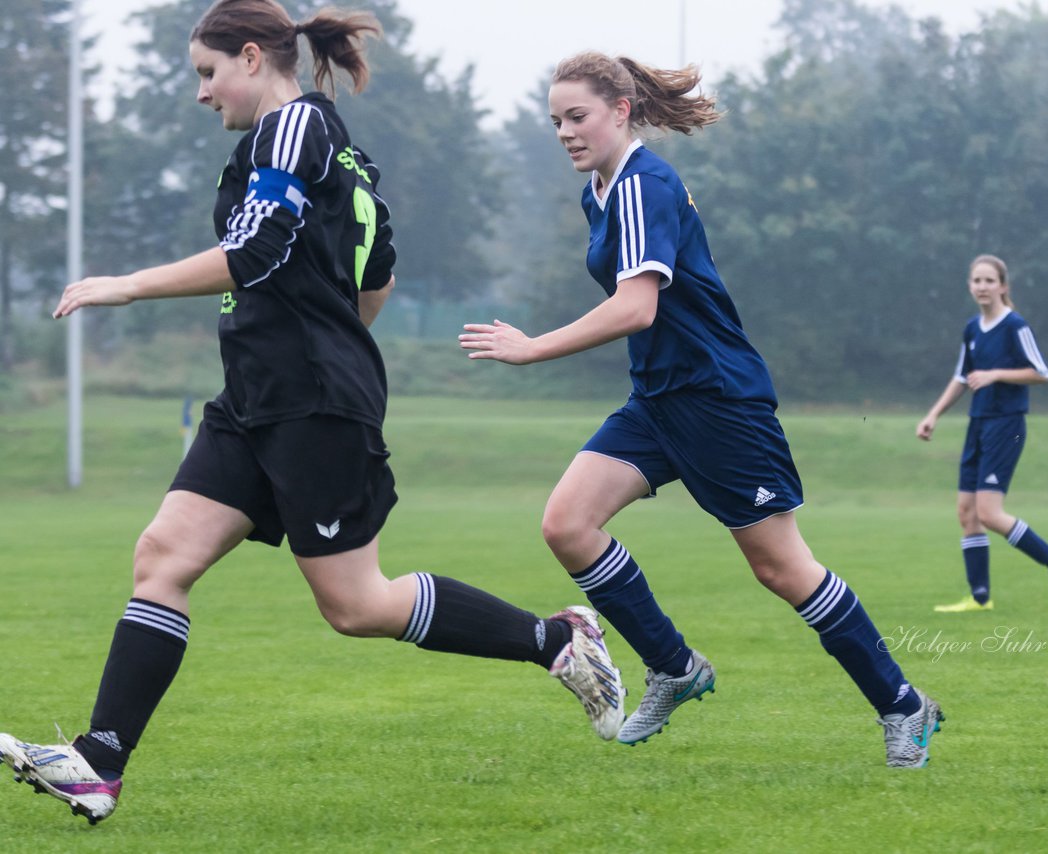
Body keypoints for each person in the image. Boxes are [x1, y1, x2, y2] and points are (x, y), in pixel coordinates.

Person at [0, 1, 624, 826]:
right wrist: (312, 338)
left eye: (207, 72)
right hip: (256, 397)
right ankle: (98, 763)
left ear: (251, 57)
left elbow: (258, 249)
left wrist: (127, 284)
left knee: (356, 605)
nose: (201, 93)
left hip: (311, 402)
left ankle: (558, 643)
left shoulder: (291, 129)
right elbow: (377, 279)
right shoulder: (338, 153)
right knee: (163, 556)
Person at [459, 51, 942, 768]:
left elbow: (636, 306)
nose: (564, 130)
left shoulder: (642, 185)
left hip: (719, 400)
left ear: (620, 110)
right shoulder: (601, 187)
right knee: (567, 523)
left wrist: (532, 350)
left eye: (577, 116)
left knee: (782, 569)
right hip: (658, 398)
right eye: (555, 119)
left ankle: (905, 706)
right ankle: (675, 667)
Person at [915, 254, 1048, 613]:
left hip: (1007, 425)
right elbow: (962, 377)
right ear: (970, 286)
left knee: (990, 513)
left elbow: (1041, 372)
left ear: (1003, 286)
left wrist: (995, 374)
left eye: (989, 280)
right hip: (978, 423)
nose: (982, 287)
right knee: (966, 512)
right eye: (976, 280)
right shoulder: (972, 329)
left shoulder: (1015, 326)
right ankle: (980, 599)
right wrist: (933, 415)